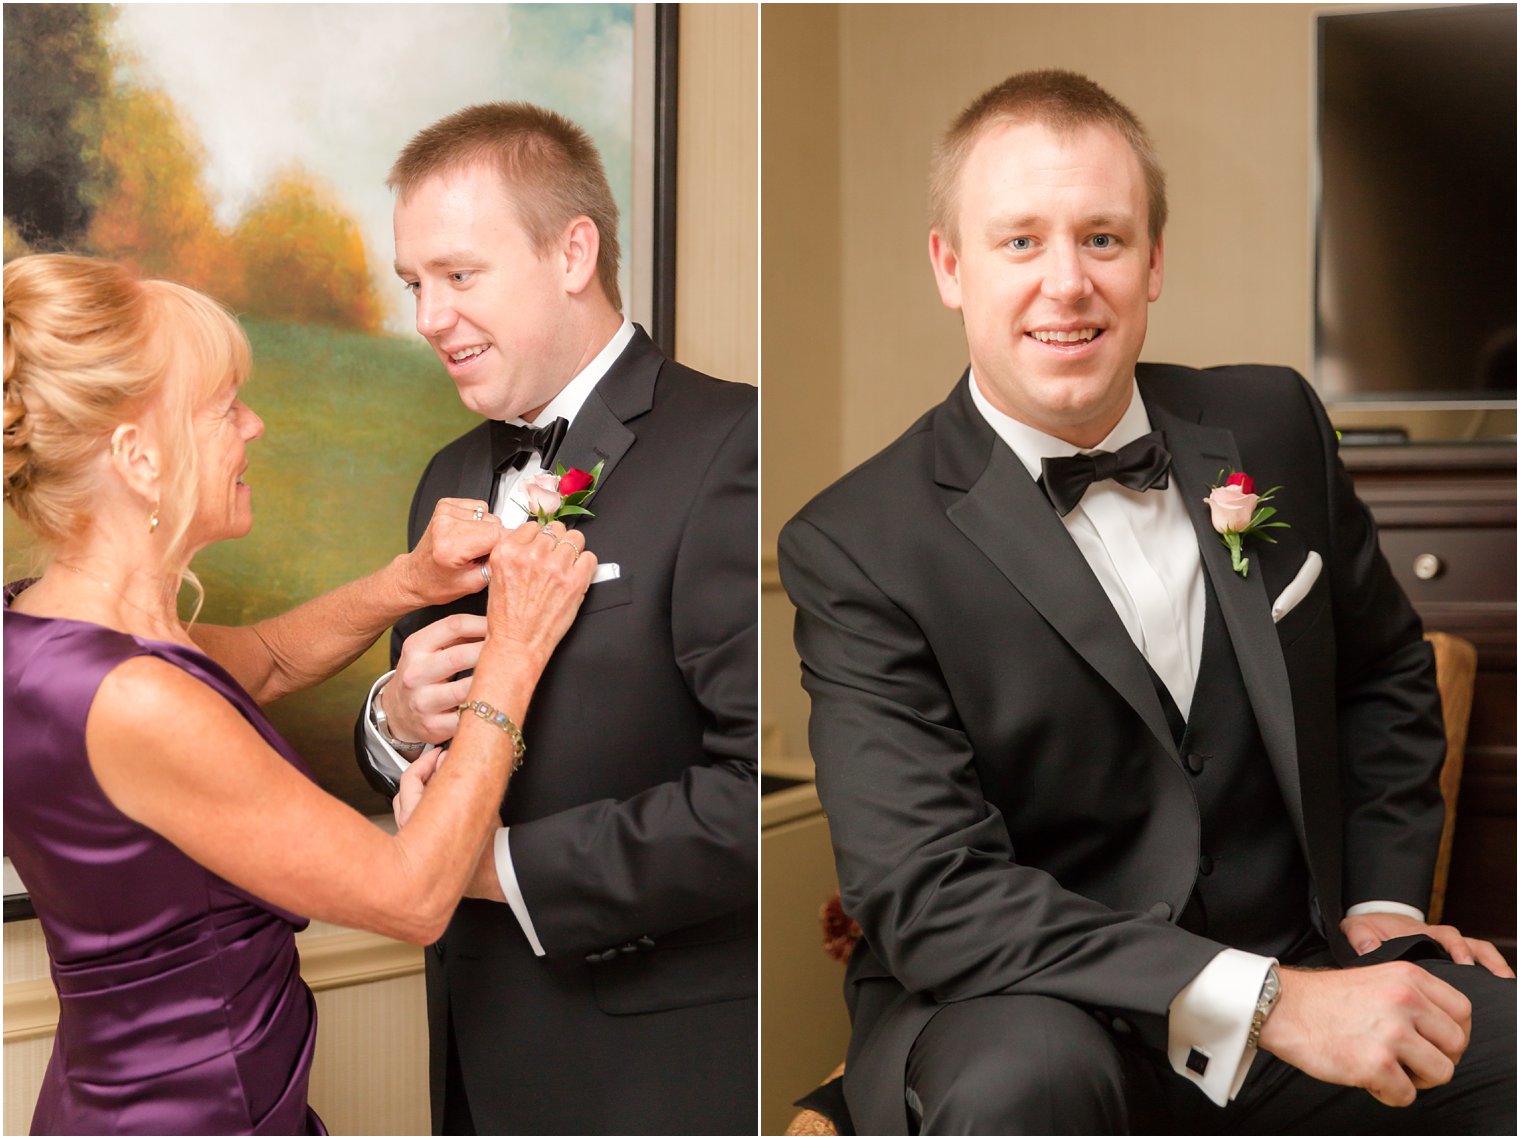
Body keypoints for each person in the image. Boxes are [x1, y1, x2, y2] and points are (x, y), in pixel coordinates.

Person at [778, 70, 1514, 1135]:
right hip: (1029, 1013)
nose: (1065, 283)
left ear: (1153, 260)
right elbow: (932, 891)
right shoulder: (855, 542)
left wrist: (1382, 915)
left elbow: (1384, 674)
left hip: (1302, 967)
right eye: (1019, 241)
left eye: (1103, 239)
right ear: (950, 265)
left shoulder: (1271, 423)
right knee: (1023, 1085)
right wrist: (1267, 1003)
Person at [2, 252, 597, 1135]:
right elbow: (410, 893)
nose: (254, 424)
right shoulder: (135, 700)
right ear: (137, 456)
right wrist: (513, 649)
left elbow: (269, 659)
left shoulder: (49, 632)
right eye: (222, 406)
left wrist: (406, 581)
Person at [353, 103, 756, 1134]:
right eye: (414, 284)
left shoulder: (733, 443)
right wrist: (394, 718)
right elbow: (433, 745)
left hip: (654, 1068)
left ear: (572, 251)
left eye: (458, 275)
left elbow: (750, 797)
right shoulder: (449, 473)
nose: (427, 318)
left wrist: (498, 867)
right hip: (474, 1048)